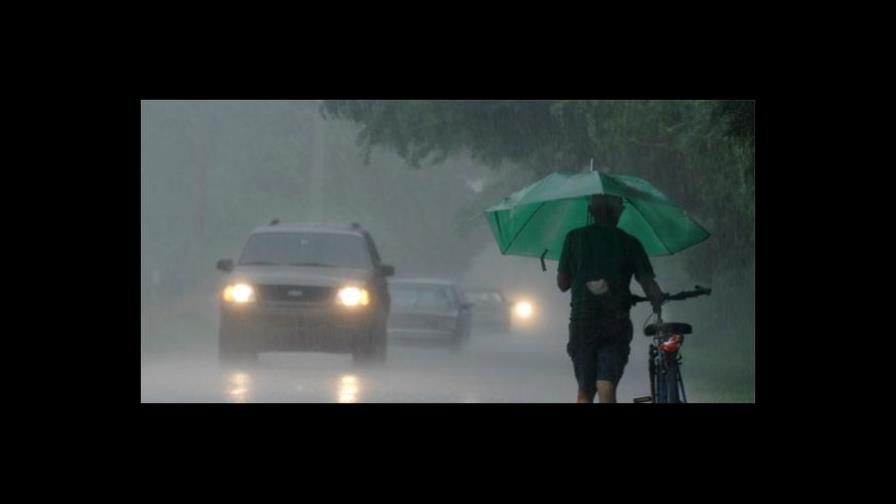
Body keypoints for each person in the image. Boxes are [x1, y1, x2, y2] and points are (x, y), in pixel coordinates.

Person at [557, 194, 665, 403]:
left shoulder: (574, 238)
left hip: (582, 322)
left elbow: (562, 284)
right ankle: (606, 391)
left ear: (590, 211)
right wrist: (658, 300)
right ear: (619, 212)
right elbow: (650, 287)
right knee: (607, 382)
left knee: (585, 390)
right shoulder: (630, 242)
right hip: (616, 321)